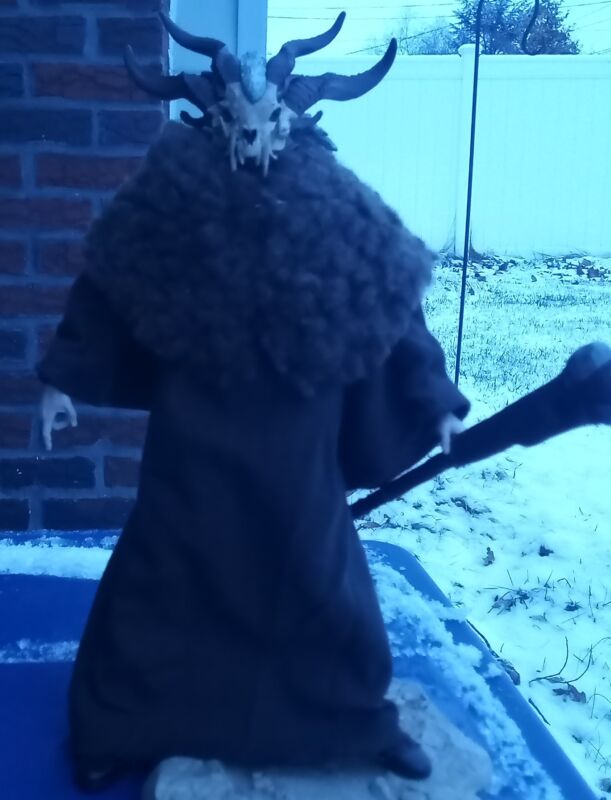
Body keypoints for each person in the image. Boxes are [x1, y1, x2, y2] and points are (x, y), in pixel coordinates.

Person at [38, 11, 470, 791]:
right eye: (239, 118)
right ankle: (119, 725)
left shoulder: (334, 201)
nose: (254, 134)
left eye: (269, 119)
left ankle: (353, 720)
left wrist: (431, 396)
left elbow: (389, 300)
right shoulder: (172, 198)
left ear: (293, 120)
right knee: (164, 578)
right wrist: (63, 377)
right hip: (194, 433)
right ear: (213, 117)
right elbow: (110, 282)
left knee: (320, 582)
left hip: (300, 435)